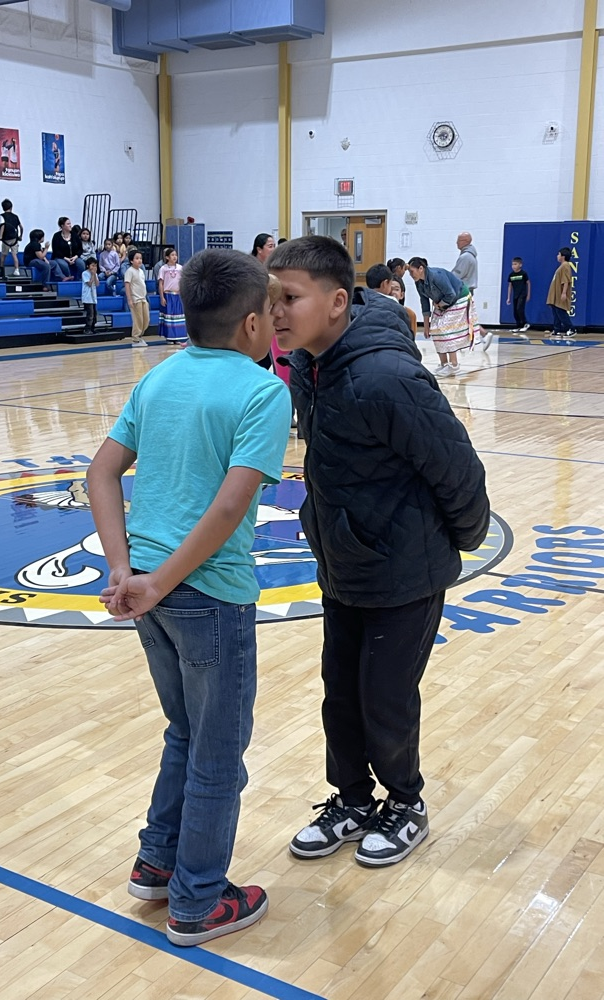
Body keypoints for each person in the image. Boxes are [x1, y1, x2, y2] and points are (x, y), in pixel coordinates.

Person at [86, 248, 290, 946]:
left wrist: (125, 571)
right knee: (217, 751)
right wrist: (159, 579)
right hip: (206, 597)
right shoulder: (265, 391)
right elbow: (231, 509)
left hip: (151, 594)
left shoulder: (159, 376)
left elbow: (101, 473)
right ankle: (198, 902)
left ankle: (157, 862)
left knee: (185, 731)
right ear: (254, 324)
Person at [268, 236, 489, 868]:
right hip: (344, 561)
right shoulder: (309, 367)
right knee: (340, 691)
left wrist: (459, 542)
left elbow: (457, 469)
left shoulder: (385, 377)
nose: (276, 311)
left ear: (337, 302)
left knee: (384, 695)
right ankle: (353, 800)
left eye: (290, 298)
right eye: (271, 297)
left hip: (405, 569)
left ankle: (405, 803)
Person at [407, 256, 471, 377]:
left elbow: (451, 294)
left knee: (445, 328)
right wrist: (426, 326)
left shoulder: (436, 276)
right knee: (435, 329)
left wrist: (439, 304)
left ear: (421, 268)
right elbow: (424, 301)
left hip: (459, 297)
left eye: (412, 271)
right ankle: (444, 364)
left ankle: (454, 365)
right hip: (443, 302)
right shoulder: (418, 283)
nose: (410, 274)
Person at [452, 232, 493, 351]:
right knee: (465, 317)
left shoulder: (465, 257)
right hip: (467, 290)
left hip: (463, 291)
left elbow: (456, 275)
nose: (456, 243)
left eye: (458, 240)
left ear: (465, 241)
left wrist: (445, 280)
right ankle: (474, 338)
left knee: (463, 317)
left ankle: (483, 334)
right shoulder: (470, 255)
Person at [252, 233, 278, 372]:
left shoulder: (273, 267)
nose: (273, 249)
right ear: (259, 249)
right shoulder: (251, 269)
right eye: (270, 246)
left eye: (274, 246)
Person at [157, 248, 187, 346]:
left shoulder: (180, 268)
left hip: (178, 295)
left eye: (175, 255)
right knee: (169, 317)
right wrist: (162, 297)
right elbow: (161, 283)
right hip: (168, 295)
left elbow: (183, 281)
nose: (175, 257)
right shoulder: (163, 269)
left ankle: (178, 337)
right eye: (172, 255)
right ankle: (170, 337)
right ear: (167, 257)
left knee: (178, 317)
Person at [124, 248, 150, 347]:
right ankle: (135, 338)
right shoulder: (130, 271)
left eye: (140, 258)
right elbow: (127, 285)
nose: (139, 260)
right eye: (137, 258)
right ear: (131, 261)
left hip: (143, 298)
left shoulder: (141, 271)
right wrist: (129, 299)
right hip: (136, 299)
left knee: (146, 320)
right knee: (137, 320)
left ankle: (140, 336)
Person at [546, 246, 574, 339]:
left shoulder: (566, 265)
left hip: (560, 292)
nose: (557, 256)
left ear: (563, 256)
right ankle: (557, 329)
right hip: (555, 292)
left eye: (559, 254)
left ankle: (571, 328)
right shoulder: (561, 266)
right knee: (555, 310)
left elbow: (566, 280)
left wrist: (564, 293)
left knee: (560, 311)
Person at [0, 199, 23, 277]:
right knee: (14, 254)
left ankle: (1, 270)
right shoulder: (15, 216)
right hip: (14, 238)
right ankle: (17, 270)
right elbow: (21, 227)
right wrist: (20, 236)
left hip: (6, 238)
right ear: (11, 207)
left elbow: (3, 226)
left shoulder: (2, 216)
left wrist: (0, 237)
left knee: (3, 255)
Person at [506, 257, 531, 333]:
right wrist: (508, 297)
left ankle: (525, 323)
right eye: (512, 264)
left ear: (520, 265)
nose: (513, 266)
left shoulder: (523, 274)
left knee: (519, 309)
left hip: (522, 294)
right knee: (515, 311)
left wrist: (528, 294)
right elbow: (510, 286)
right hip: (515, 295)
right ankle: (518, 325)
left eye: (515, 264)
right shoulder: (511, 275)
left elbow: (528, 283)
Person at [81, 257, 99, 336]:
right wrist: (92, 275)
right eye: (92, 265)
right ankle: (87, 328)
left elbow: (97, 284)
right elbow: (89, 283)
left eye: (95, 265)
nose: (94, 267)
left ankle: (93, 327)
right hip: (87, 297)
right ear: (88, 266)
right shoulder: (84, 273)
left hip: (93, 296)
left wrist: (94, 275)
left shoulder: (95, 274)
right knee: (90, 314)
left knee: (95, 314)